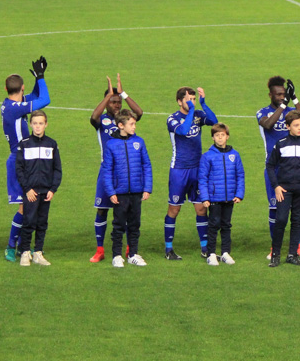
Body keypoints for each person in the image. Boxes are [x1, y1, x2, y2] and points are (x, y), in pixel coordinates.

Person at [88, 75, 144, 263]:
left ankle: (129, 249)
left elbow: (139, 112)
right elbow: (93, 117)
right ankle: (100, 250)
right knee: (102, 210)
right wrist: (108, 95)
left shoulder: (126, 120)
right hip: (107, 172)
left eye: (118, 102)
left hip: (124, 173)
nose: (117, 105)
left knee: (126, 211)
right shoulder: (101, 120)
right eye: (113, 102)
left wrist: (123, 93)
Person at [1, 57, 50, 262]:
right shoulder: (16, 108)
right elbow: (45, 100)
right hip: (19, 161)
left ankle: (23, 247)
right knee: (24, 207)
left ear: (6, 89)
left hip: (25, 159)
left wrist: (38, 79)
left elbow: (35, 96)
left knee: (30, 206)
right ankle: (11, 247)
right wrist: (41, 77)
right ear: (21, 88)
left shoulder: (10, 105)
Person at [257, 76, 300, 260]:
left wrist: (294, 98)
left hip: (294, 169)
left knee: (298, 209)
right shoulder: (263, 112)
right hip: (274, 170)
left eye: (284, 94)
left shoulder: (291, 112)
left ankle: (299, 246)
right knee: (275, 208)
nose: (281, 97)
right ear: (270, 95)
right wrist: (283, 105)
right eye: (278, 94)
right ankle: (275, 247)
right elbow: (268, 124)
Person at [164, 87, 218, 260]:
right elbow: (183, 131)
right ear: (179, 101)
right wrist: (193, 110)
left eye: (193, 99)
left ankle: (205, 248)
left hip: (197, 169)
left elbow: (214, 121)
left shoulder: (197, 114)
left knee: (201, 208)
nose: (191, 102)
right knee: (174, 209)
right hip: (179, 170)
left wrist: (203, 104)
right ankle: (168, 249)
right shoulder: (172, 119)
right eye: (188, 99)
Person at [100, 109, 152, 268]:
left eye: (134, 124)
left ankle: (133, 254)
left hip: (136, 191)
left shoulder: (139, 142)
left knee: (135, 224)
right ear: (121, 125)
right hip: (120, 193)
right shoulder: (111, 144)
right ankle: (116, 255)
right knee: (119, 225)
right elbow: (107, 170)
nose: (134, 127)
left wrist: (147, 188)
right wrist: (111, 192)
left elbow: (146, 165)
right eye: (131, 124)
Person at [267, 110, 300, 267]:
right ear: (288, 126)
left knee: (297, 220)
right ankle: (275, 254)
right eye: (296, 125)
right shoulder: (281, 143)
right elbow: (270, 165)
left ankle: (292, 255)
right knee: (281, 219)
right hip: (284, 190)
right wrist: (276, 186)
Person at [15, 111, 61, 267]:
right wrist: (27, 189)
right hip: (31, 192)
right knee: (28, 221)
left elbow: (57, 169)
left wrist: (52, 189)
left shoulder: (52, 144)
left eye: (41, 123)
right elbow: (19, 169)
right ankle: (25, 252)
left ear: (46, 124)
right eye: (35, 123)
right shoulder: (24, 144)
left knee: (42, 223)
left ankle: (38, 253)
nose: (37, 126)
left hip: (46, 191)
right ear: (30, 124)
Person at [198, 124, 245, 266]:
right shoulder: (207, 156)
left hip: (229, 198)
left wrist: (239, 194)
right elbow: (202, 178)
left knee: (226, 225)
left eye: (222, 135)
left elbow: (240, 175)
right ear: (213, 137)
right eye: (217, 135)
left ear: (227, 136)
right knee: (213, 225)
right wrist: (205, 197)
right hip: (214, 198)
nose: (220, 138)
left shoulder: (234, 155)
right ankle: (211, 254)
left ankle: (225, 252)